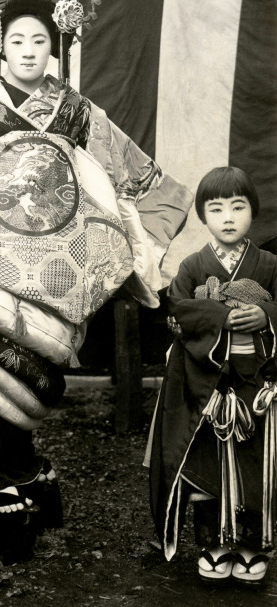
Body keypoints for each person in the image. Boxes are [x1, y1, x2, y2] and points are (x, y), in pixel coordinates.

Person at [0, 0, 192, 565]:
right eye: (17, 41)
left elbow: (133, 174)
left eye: (40, 40)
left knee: (31, 372)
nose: (29, 52)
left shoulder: (76, 110)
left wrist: (128, 236)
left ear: (57, 45)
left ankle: (22, 475)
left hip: (53, 271)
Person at [149, 166, 277, 585]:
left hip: (257, 387)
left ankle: (251, 547)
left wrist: (267, 314)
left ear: (252, 213)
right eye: (216, 208)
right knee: (205, 464)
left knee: (254, 466)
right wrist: (221, 319)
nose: (227, 217)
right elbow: (178, 315)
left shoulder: (270, 265)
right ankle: (214, 544)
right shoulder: (191, 266)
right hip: (206, 386)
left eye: (238, 207)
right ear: (203, 216)